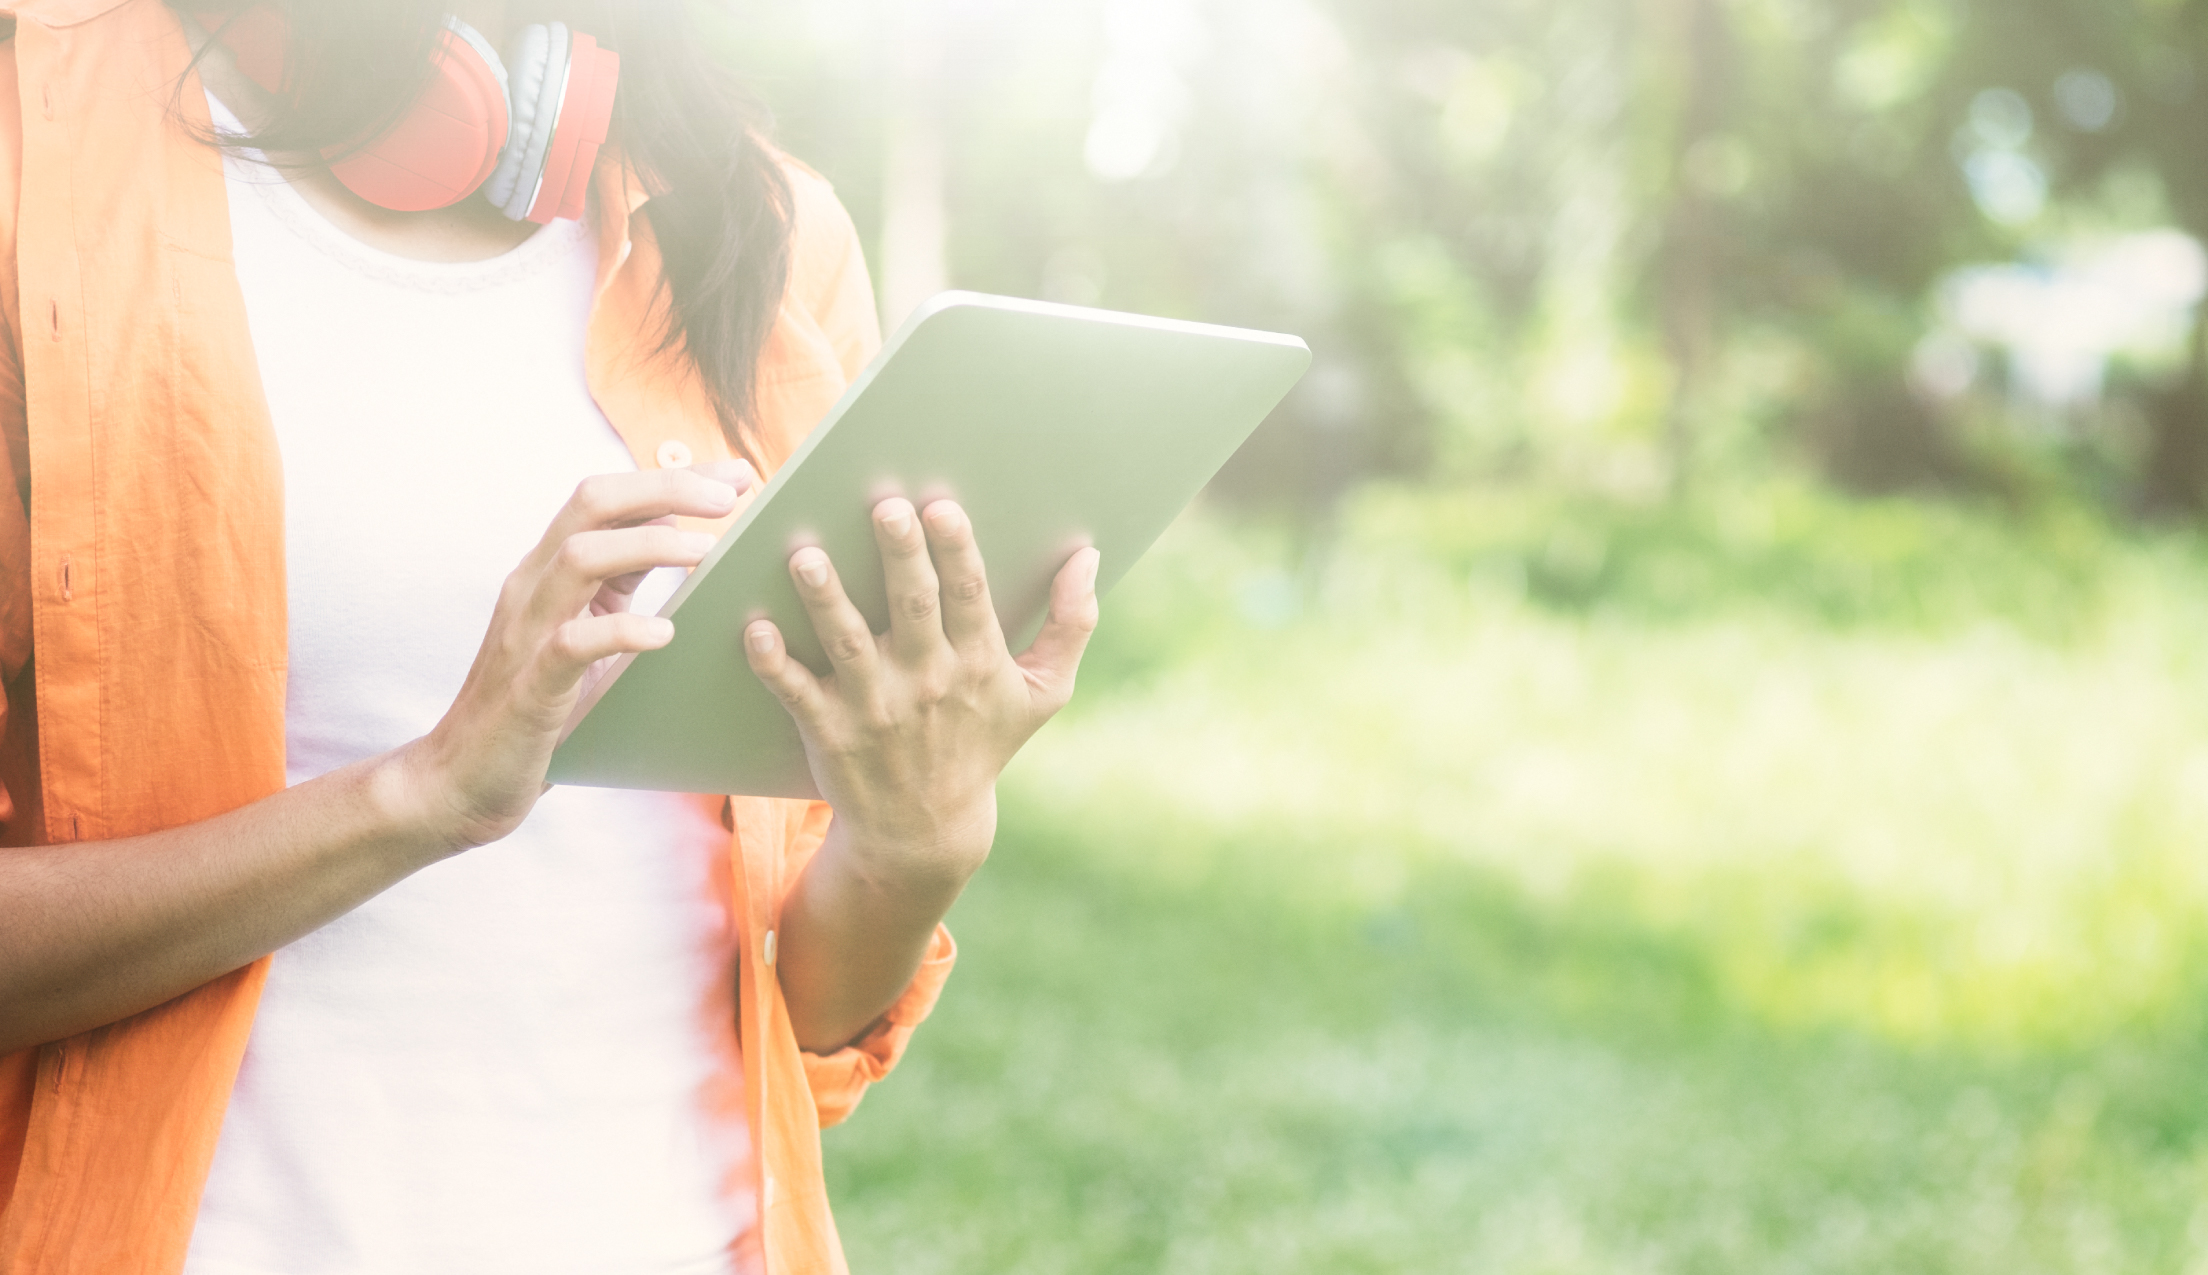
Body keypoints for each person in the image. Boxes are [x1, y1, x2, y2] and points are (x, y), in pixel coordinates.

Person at [0, 1, 1101, 1271]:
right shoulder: (38, 158)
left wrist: (915, 840)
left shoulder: (768, 229)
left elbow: (803, 1013)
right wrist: (421, 796)